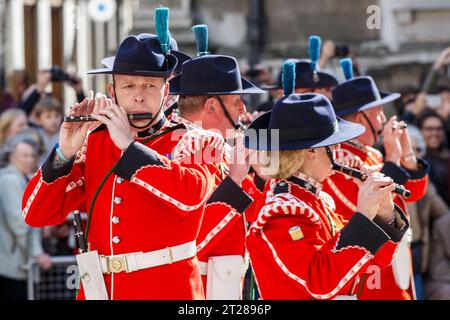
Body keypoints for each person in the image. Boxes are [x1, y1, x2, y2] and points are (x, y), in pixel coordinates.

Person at [21, 9, 225, 300]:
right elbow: (36, 215)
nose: (139, 95)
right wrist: (64, 152)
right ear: (112, 91)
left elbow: (190, 196)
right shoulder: (96, 143)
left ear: (166, 91)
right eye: (128, 86)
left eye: (149, 86)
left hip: (167, 290)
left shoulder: (192, 140)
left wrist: (130, 149)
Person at [244, 62, 409, 299]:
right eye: (331, 143)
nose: (339, 148)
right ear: (310, 151)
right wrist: (362, 215)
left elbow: (376, 260)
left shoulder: (315, 200)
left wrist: (383, 213)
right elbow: (320, 282)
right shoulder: (282, 211)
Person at [168, 26, 265, 296]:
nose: (244, 109)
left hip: (224, 282)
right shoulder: (190, 145)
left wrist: (259, 176)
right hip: (198, 287)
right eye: (236, 101)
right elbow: (191, 239)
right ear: (211, 106)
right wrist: (234, 180)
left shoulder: (219, 147)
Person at [322, 60, 429, 299]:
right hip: (371, 266)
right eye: (378, 113)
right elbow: (367, 206)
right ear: (361, 118)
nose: (383, 120)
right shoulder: (340, 158)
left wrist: (406, 154)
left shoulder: (371, 153)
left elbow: (414, 193)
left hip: (394, 256)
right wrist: (392, 159)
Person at [0, 134, 52, 300]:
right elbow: (20, 224)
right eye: (24, 155)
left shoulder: (23, 177)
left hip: (20, 262)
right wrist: (37, 253)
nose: (29, 160)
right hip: (13, 264)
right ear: (11, 155)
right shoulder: (10, 180)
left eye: (32, 155)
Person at [405, 125, 450, 299]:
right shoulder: (388, 176)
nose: (415, 154)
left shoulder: (425, 183)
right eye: (410, 149)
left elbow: (443, 213)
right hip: (395, 253)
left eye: (418, 150)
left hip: (417, 255)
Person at [417, 111, 450, 205]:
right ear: (419, 131)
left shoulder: (447, 154)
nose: (435, 133)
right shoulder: (418, 161)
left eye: (439, 128)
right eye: (429, 129)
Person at [30, 96, 63, 165]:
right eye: (48, 116)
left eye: (56, 116)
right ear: (39, 120)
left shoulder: (63, 135)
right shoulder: (35, 135)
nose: (53, 120)